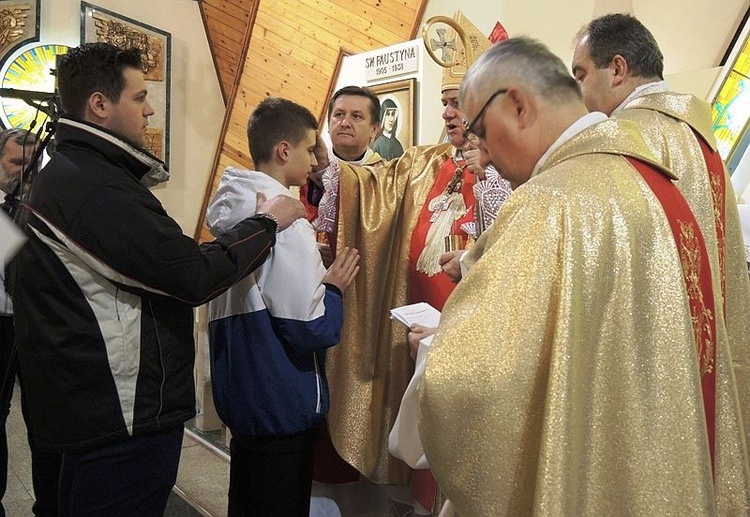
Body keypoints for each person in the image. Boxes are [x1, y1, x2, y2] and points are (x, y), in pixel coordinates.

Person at [417, 36, 750, 515]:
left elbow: (472, 389)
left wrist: (434, 355)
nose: (483, 155)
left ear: (516, 106)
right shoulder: (657, 184)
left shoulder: (549, 201)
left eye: (482, 133)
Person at [10, 42, 305, 516]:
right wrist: (268, 223)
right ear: (100, 105)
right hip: (120, 416)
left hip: (83, 407)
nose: (149, 110)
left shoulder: (66, 173)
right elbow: (192, 274)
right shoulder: (94, 186)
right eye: (139, 97)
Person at [307, 12, 511, 515]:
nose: (448, 114)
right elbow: (371, 184)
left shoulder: (511, 170)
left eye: (459, 101)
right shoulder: (425, 162)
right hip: (415, 333)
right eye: (444, 102)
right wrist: (331, 171)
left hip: (472, 343)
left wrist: (488, 182)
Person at [572, 13, 750, 441]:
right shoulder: (701, 138)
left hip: (655, 363)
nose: (578, 90)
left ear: (617, 69)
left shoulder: (624, 139)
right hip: (707, 355)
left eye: (580, 74)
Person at [205, 97, 360, 517]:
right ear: (284, 151)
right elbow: (307, 326)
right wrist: (334, 289)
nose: (315, 159)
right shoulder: (286, 223)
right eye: (311, 148)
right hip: (281, 396)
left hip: (244, 391)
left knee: (248, 499)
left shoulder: (235, 205)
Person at [0, 129, 61, 517]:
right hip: (1, 326)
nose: (25, 174)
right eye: (16, 164)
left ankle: (50, 506)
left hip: (37, 323)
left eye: (32, 166)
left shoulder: (41, 209)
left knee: (46, 417)